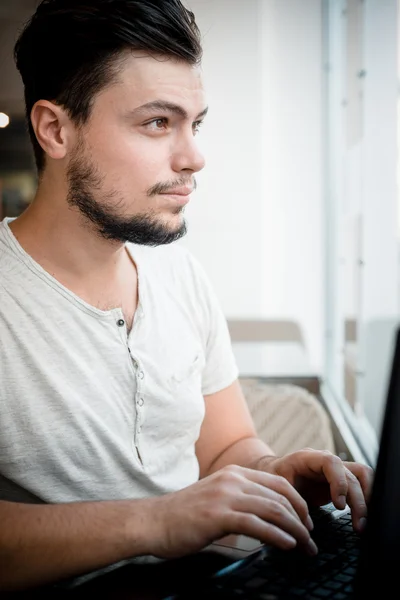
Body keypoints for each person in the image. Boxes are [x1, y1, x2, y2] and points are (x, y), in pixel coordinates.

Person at [0, 0, 373, 592]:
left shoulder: (179, 274)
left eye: (194, 123)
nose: (194, 157)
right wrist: (155, 521)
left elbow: (225, 445)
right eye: (157, 122)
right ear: (55, 129)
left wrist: (272, 471)